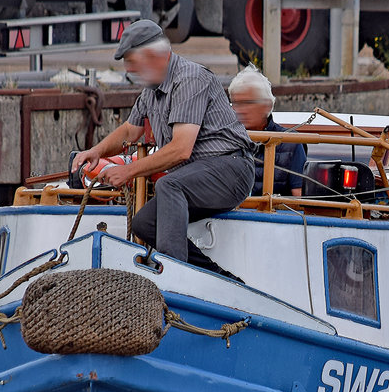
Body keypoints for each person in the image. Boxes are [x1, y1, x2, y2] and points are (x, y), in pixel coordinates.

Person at [71, 19, 255, 268]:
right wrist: (95, 151)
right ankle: (215, 276)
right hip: (197, 174)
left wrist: (126, 171)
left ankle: (174, 273)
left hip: (231, 170)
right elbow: (130, 130)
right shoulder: (151, 88)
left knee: (169, 185)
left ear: (155, 57)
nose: (132, 73)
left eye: (134, 65)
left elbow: (181, 149)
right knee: (144, 224)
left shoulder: (190, 79)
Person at [227, 64, 306, 196]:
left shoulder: (291, 142)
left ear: (267, 105)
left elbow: (300, 199)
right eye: (235, 103)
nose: (240, 110)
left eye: (248, 103)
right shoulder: (225, 139)